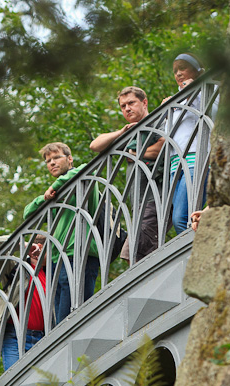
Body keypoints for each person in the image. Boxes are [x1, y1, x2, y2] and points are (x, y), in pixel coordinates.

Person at [23, 143, 99, 325]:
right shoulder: (53, 194)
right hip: (58, 257)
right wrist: (44, 198)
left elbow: (87, 168)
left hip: (81, 250)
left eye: (56, 158)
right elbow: (28, 214)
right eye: (48, 161)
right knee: (60, 315)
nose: (52, 163)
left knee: (76, 314)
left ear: (69, 158)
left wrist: (54, 187)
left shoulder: (83, 175)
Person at [90, 86, 166, 262]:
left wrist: (134, 153)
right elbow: (95, 145)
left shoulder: (157, 120)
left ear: (144, 102)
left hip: (155, 196)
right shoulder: (129, 132)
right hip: (138, 201)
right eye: (123, 106)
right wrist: (122, 132)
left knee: (134, 252)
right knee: (142, 251)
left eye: (131, 103)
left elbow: (162, 147)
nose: (127, 108)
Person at [167, 52, 217, 234]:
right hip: (175, 165)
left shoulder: (208, 90)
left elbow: (215, 115)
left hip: (196, 160)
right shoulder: (174, 100)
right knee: (184, 217)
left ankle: (199, 252)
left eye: (183, 68)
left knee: (181, 218)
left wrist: (193, 93)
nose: (178, 73)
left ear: (197, 70)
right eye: (175, 71)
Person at [0, 238, 47, 370]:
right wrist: (26, 245)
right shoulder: (17, 268)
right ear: (38, 248)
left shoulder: (52, 275)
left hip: (41, 338)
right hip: (14, 336)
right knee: (14, 383)